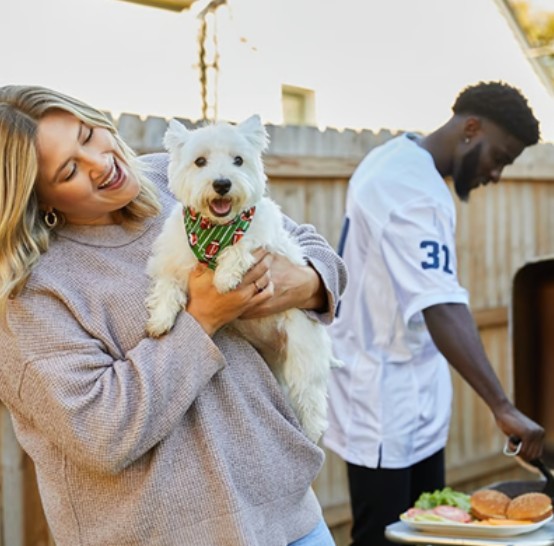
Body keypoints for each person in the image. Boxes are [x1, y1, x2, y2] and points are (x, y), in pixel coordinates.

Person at [0, 85, 347, 546]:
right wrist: (201, 318)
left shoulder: (174, 174)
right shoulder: (30, 296)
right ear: (40, 200)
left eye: (88, 135)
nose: (100, 164)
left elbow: (305, 241)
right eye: (69, 170)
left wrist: (308, 283)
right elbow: (101, 432)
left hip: (287, 517)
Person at [323, 81, 545, 546]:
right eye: (499, 158)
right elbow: (440, 303)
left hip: (412, 388)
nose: (497, 174)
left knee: (433, 527)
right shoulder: (411, 189)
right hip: (384, 400)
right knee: (384, 537)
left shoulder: (395, 157)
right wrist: (501, 406)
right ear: (470, 128)